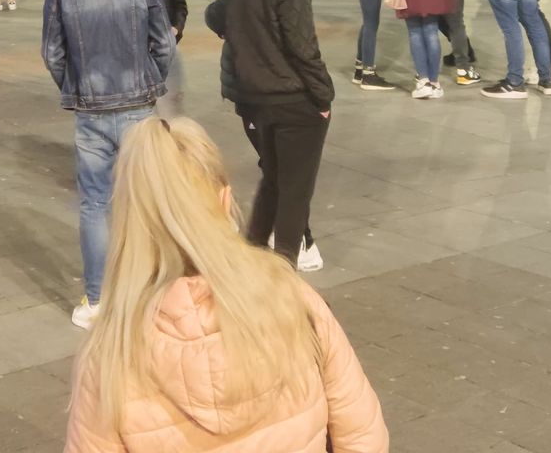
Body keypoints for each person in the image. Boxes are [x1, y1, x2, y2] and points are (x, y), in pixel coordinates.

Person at [65, 117, 388, 453]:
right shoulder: (296, 304)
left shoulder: (109, 358)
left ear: (131, 225)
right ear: (224, 202)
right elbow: (363, 436)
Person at [42, 0, 176, 329]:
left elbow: (53, 53)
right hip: (138, 104)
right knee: (147, 201)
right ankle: (153, 291)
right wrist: (151, 79)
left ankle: (98, 299)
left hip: (92, 110)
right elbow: (164, 42)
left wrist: (75, 87)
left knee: (95, 204)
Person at [215, 0, 335, 272]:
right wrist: (322, 94)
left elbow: (219, 18)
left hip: (254, 96)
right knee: (295, 193)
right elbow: (301, 43)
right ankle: (284, 269)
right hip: (292, 96)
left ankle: (250, 257)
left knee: (273, 180)